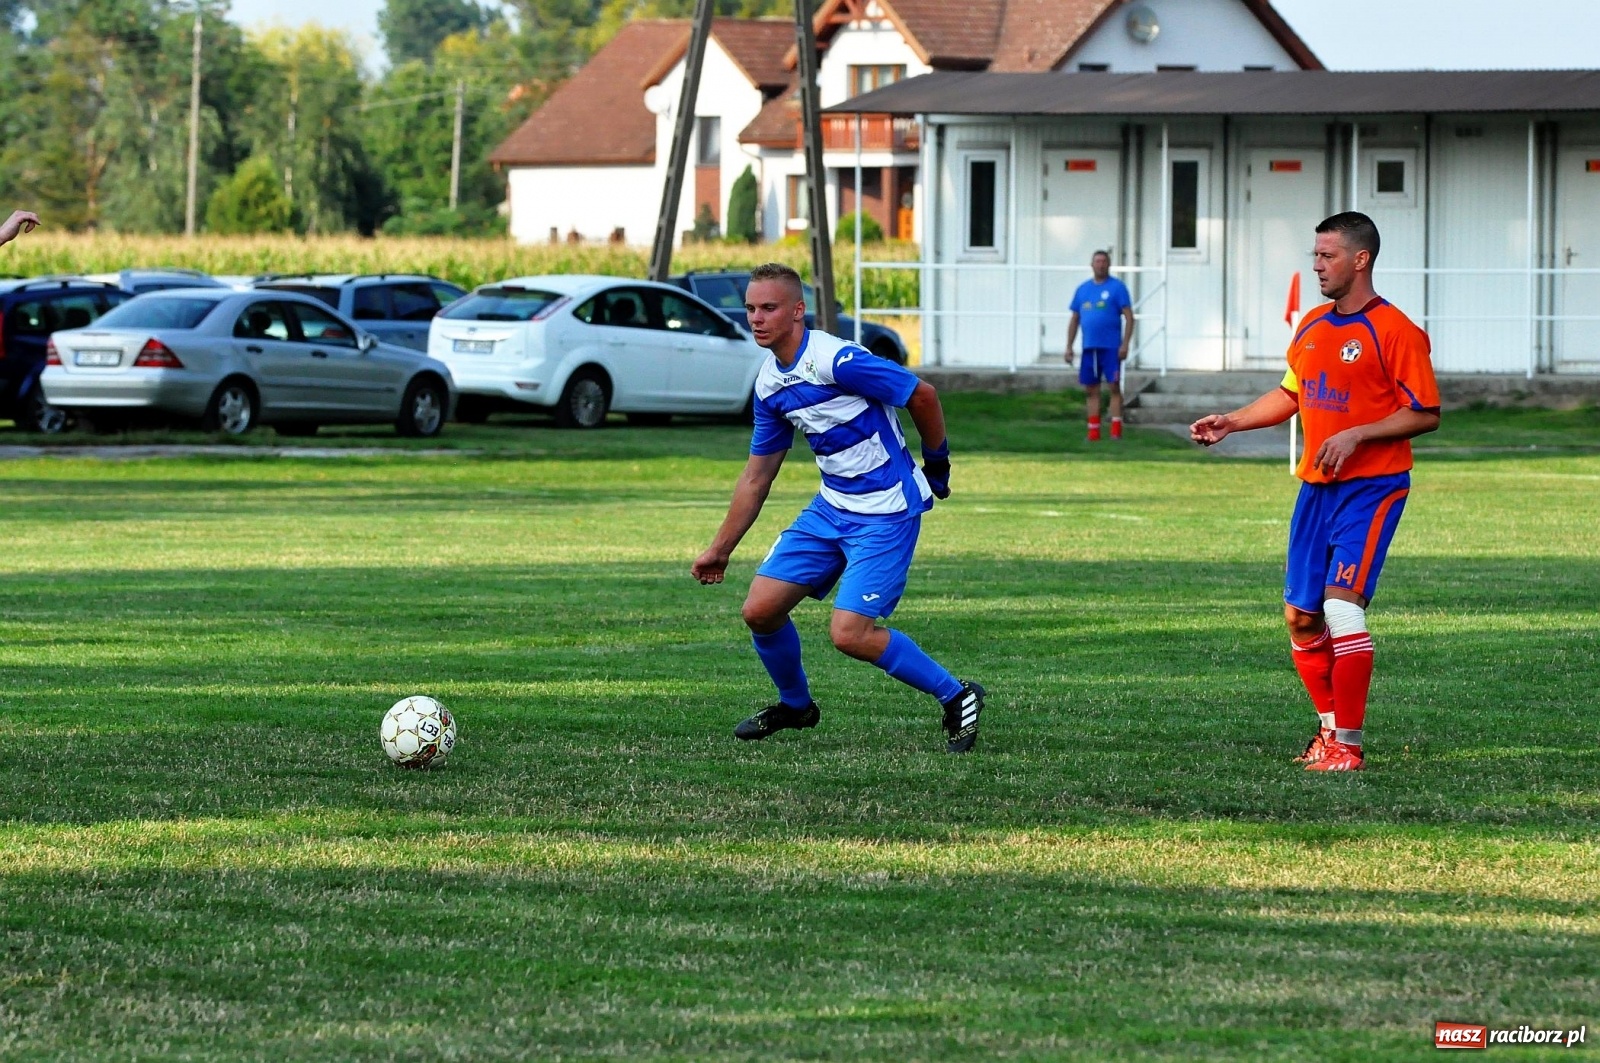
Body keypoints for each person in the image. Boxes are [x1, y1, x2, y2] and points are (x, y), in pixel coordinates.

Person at [691, 262, 986, 753]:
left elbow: (923, 395)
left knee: (849, 635)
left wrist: (938, 465)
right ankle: (796, 707)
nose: (756, 319)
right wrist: (720, 549)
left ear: (798, 311)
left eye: (769, 308)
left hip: (886, 509)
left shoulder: (839, 361)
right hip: (832, 507)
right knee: (760, 611)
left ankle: (957, 695)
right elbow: (757, 475)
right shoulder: (769, 384)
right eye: (750, 309)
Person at [1190, 212, 1440, 772]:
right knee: (1302, 618)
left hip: (1372, 488)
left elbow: (1425, 413)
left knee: (1340, 608)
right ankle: (1328, 733)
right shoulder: (1310, 325)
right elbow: (1291, 394)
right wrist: (1233, 420)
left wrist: (1359, 433)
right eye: (1316, 255)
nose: (1318, 265)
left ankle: (1348, 746)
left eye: (1327, 256)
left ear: (1360, 259)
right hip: (1316, 489)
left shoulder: (1395, 330)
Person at [1065, 250, 1134, 441]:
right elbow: (1075, 319)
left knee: (1113, 386)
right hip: (1090, 347)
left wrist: (1125, 344)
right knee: (1091, 389)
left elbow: (1129, 317)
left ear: (1109, 265)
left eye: (1104, 261)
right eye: (1097, 261)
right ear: (1092, 265)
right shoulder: (1083, 289)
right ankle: (1093, 431)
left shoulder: (1117, 287)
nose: (1101, 265)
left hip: (1111, 347)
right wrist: (1069, 346)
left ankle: (1116, 430)